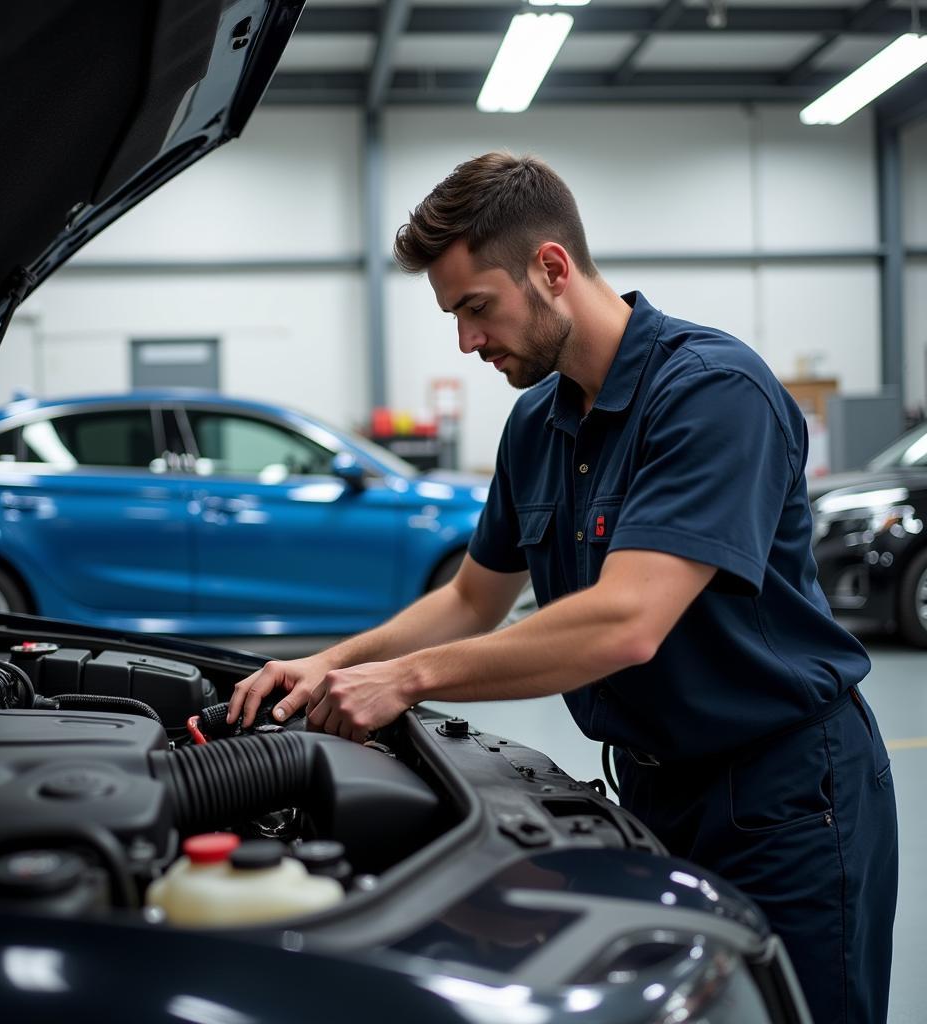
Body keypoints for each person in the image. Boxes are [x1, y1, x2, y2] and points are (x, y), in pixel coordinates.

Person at [227, 152, 897, 1024]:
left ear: (551, 268)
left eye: (476, 307)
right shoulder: (537, 424)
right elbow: (472, 598)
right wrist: (331, 664)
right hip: (654, 791)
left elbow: (628, 622)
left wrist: (409, 679)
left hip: (786, 796)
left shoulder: (711, 394)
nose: (467, 341)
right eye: (453, 316)